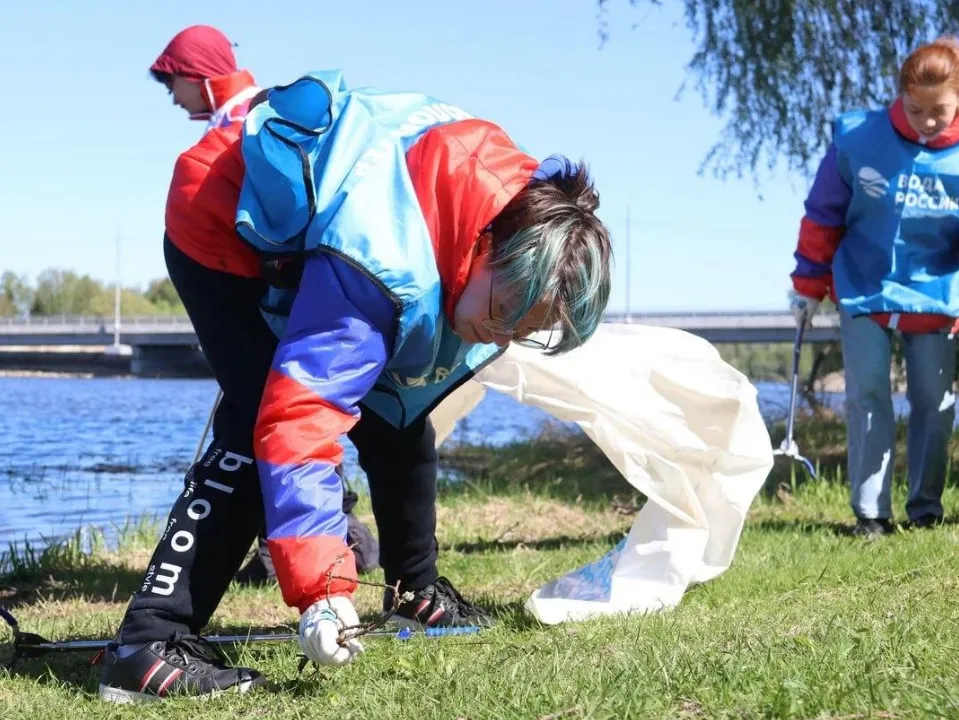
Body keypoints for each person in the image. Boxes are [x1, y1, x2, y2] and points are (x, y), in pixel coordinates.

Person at [97, 69, 612, 702]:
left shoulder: (521, 214)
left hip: (327, 237)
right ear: (484, 247)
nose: (499, 335)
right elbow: (301, 421)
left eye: (522, 330)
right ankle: (150, 642)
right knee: (260, 416)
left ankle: (413, 594)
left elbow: (398, 393)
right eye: (503, 311)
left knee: (398, 412)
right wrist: (325, 591)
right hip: (220, 225)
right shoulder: (380, 264)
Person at [147, 25, 380, 587]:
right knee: (280, 408)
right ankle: (323, 536)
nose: (172, 97)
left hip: (255, 288)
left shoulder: (238, 125)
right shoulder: (269, 109)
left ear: (201, 77)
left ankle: (327, 537)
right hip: (287, 287)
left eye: (173, 83)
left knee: (264, 412)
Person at [790, 37, 959, 538]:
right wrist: (807, 283)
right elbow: (823, 216)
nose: (928, 121)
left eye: (941, 111)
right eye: (915, 109)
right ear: (899, 96)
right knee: (867, 393)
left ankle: (925, 508)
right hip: (863, 285)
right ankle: (871, 514)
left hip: (935, 291)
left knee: (935, 400)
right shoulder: (857, 139)